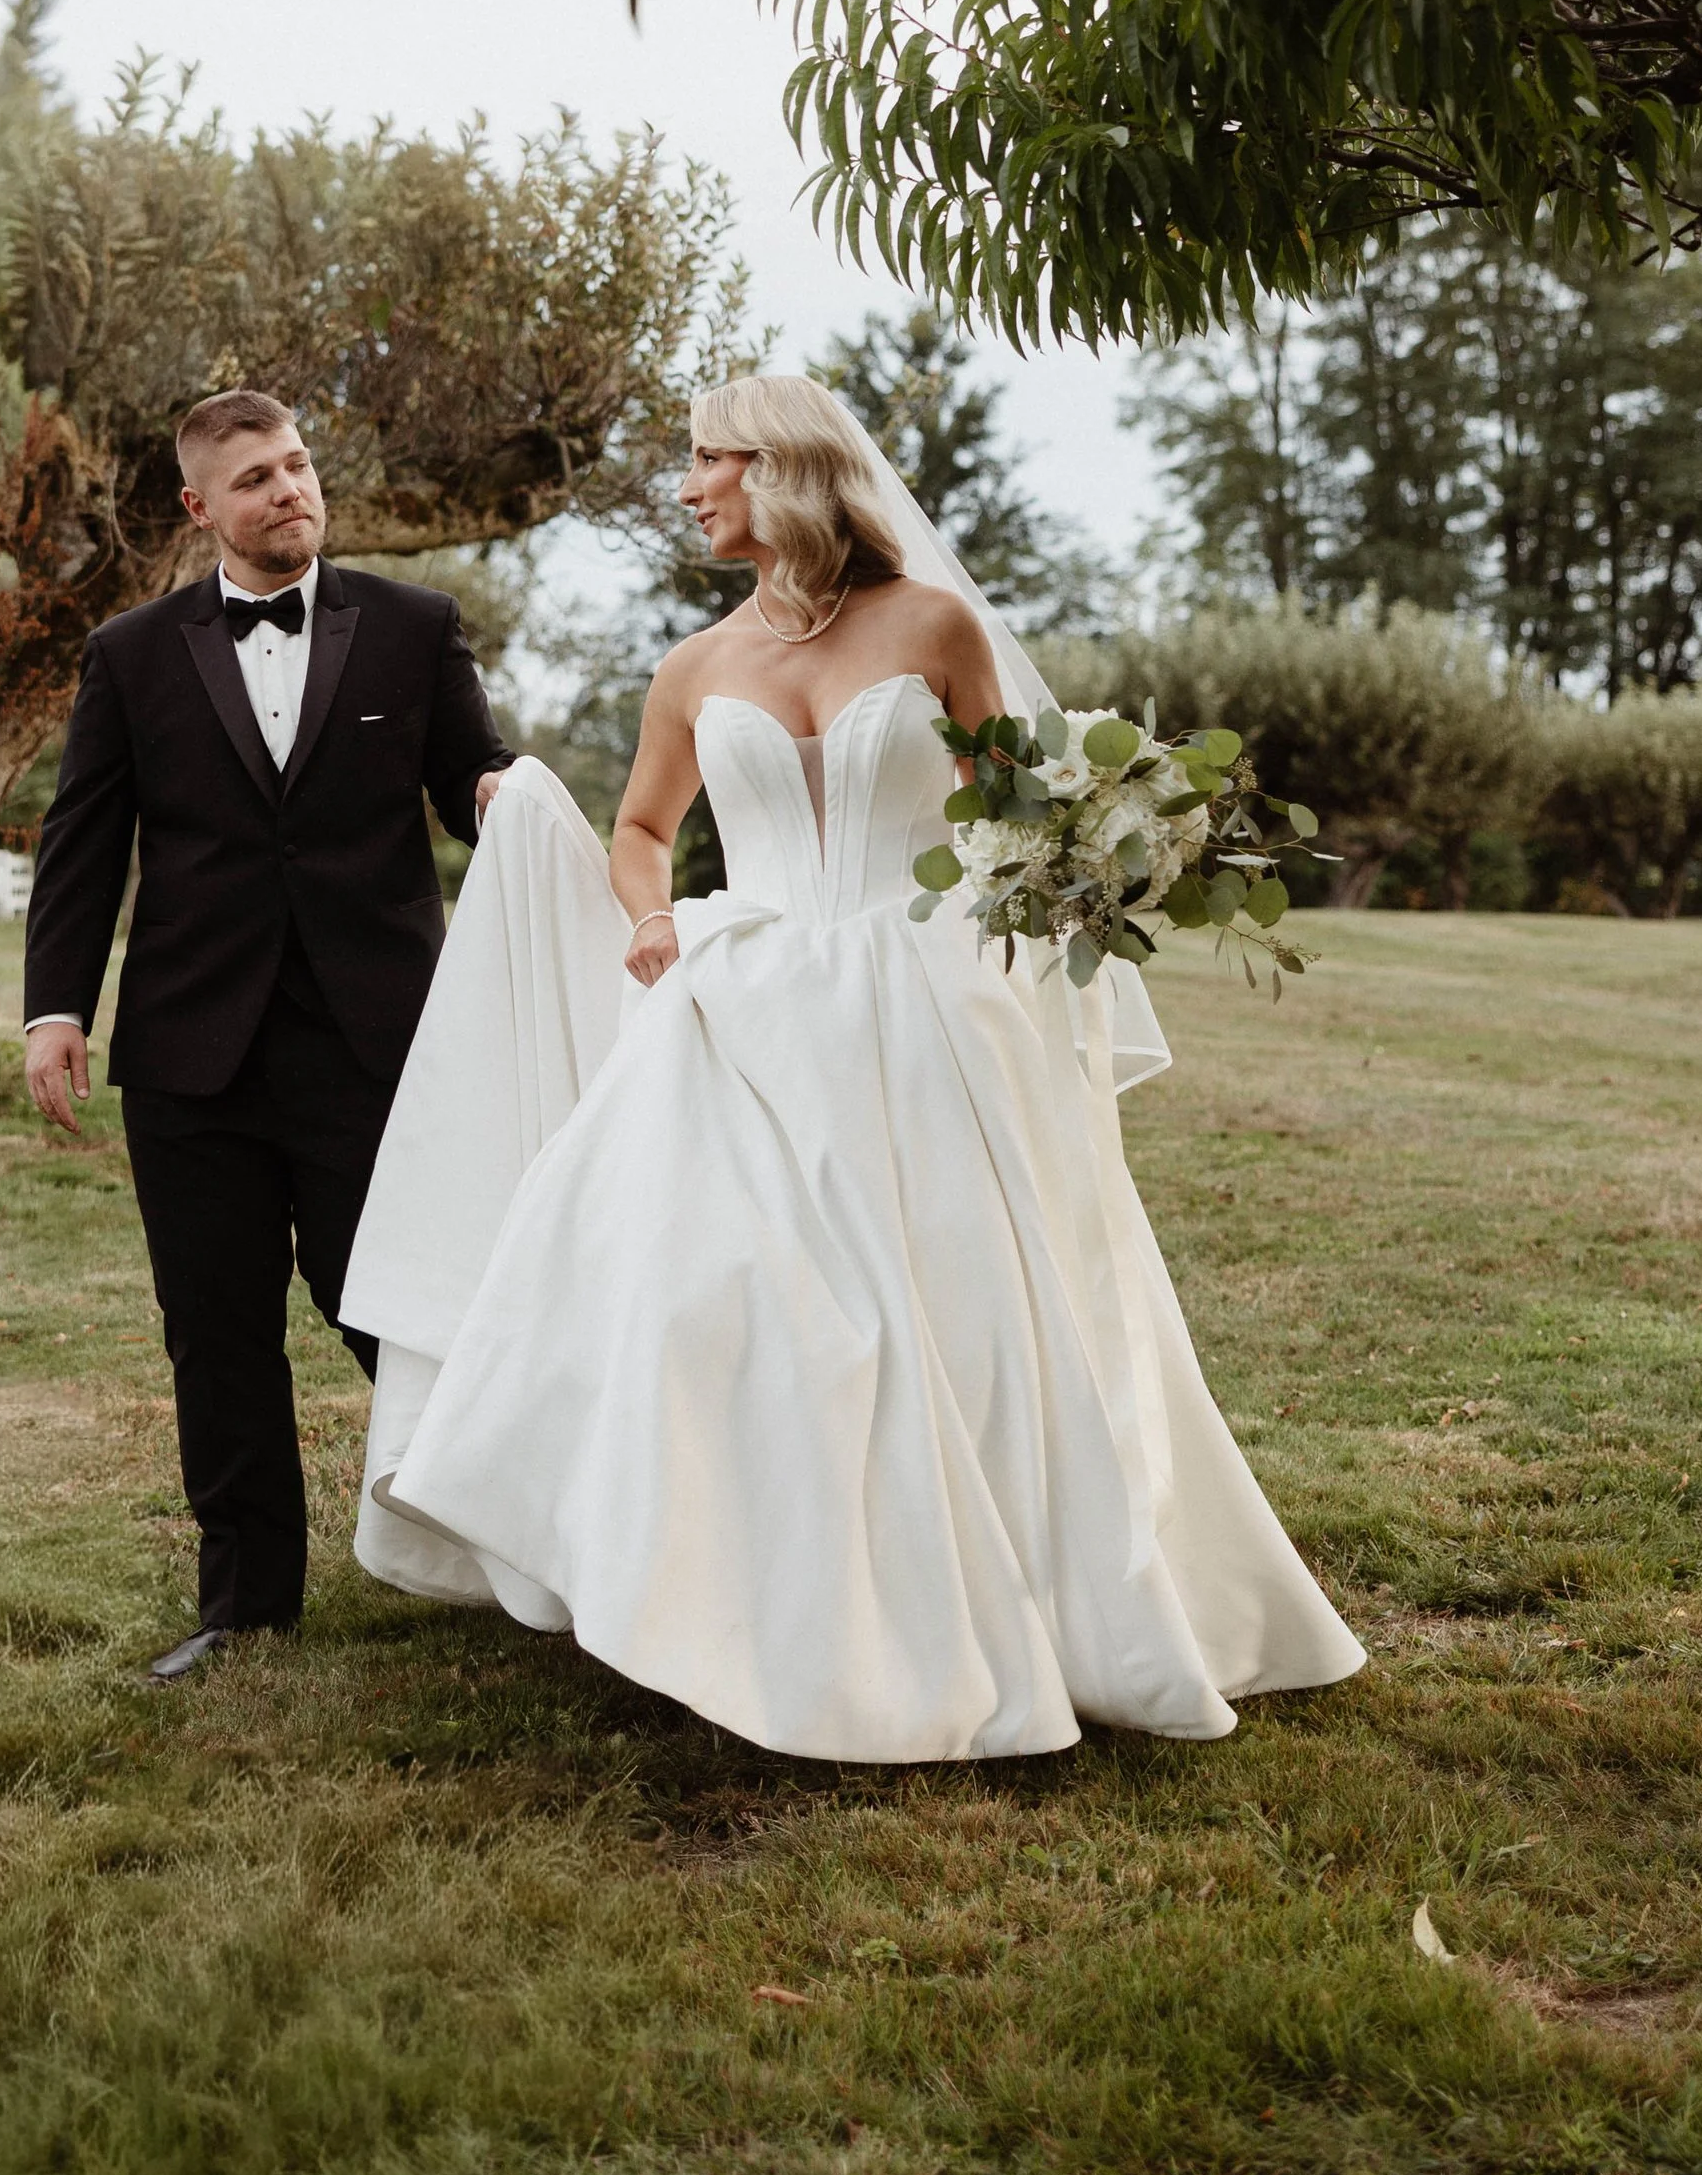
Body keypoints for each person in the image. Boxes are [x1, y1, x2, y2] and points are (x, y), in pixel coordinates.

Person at [343, 373, 1364, 1762]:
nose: (689, 482)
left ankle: (1017, 1602)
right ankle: (760, 1598)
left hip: (933, 996)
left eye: (710, 457)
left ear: (790, 471)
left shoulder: (933, 626)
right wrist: (649, 916)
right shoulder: (694, 666)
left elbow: (1010, 811)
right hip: (751, 996)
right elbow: (643, 828)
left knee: (966, 1303)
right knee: (727, 1299)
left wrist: (1105, 855)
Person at [22, 388, 511, 1681]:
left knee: (401, 1309)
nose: (289, 489)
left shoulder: (414, 629)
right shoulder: (131, 654)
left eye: (297, 465)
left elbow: (480, 790)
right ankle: (245, 1605)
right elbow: (84, 840)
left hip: (376, 1048)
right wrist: (56, 1003)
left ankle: (518, 1543)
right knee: (218, 1331)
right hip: (192, 1056)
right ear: (200, 510)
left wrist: (516, 799)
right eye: (254, 478)